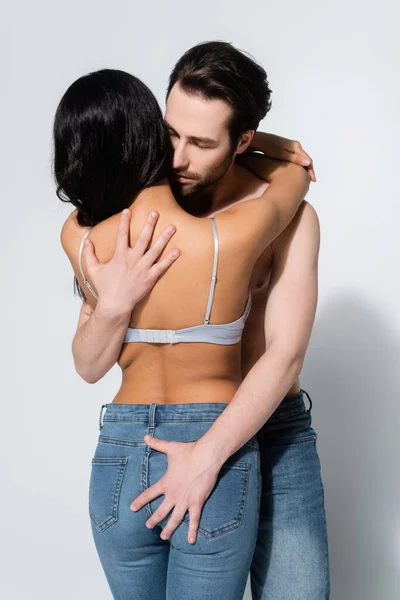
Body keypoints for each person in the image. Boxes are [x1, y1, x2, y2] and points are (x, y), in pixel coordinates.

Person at [55, 65, 309, 599]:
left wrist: (114, 302)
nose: (180, 155)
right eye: (171, 135)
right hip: (210, 436)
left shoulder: (79, 238)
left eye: (200, 141)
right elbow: (294, 183)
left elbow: (87, 369)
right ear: (152, 131)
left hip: (120, 446)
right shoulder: (225, 240)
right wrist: (280, 148)